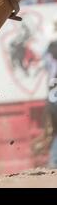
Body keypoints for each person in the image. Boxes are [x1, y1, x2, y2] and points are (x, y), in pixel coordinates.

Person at [44, 38, 57, 168]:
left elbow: (44, 56)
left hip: (52, 100)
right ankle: (53, 160)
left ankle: (53, 160)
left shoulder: (50, 62)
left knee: (55, 132)